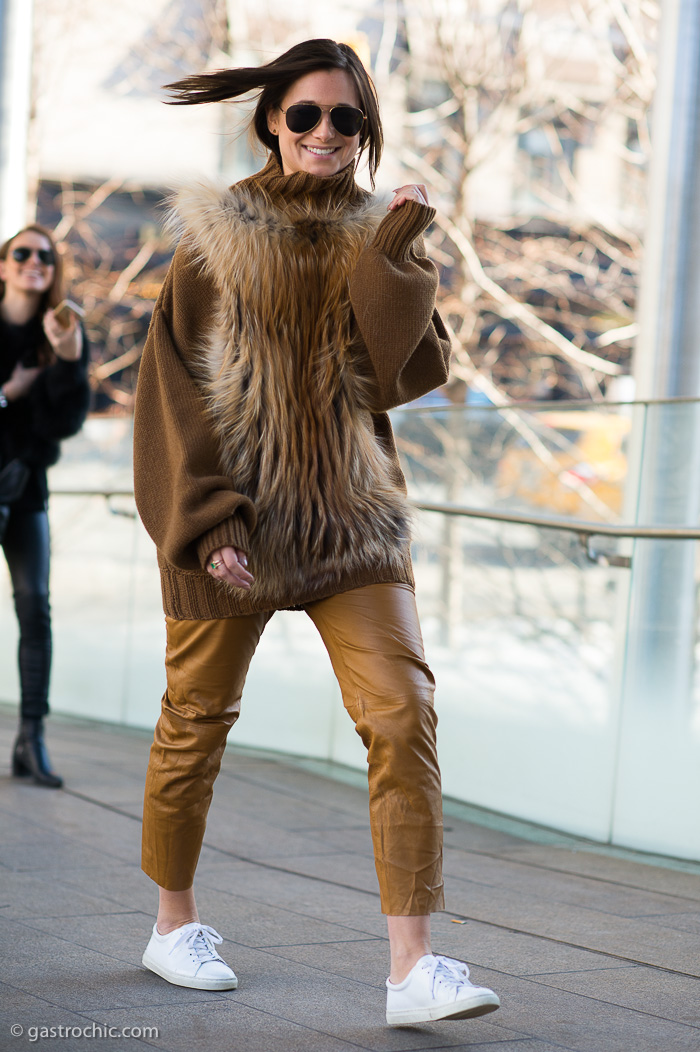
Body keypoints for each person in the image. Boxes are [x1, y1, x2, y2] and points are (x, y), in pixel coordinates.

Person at [134, 38, 500, 1025]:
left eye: (346, 119)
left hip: (349, 521)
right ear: (271, 122)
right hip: (236, 522)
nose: (326, 134)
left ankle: (411, 966)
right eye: (306, 115)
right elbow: (172, 384)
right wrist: (205, 515)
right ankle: (173, 923)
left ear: (363, 131)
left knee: (402, 712)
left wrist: (396, 247)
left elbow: (401, 375)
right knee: (195, 719)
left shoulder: (380, 226)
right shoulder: (216, 234)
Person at [0, 224, 90, 788]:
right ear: (3, 266)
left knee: (35, 605)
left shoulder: (57, 331)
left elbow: (65, 423)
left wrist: (69, 360)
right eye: (23, 253)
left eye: (46, 256)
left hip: (25, 489)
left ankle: (31, 740)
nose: (36, 262)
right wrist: (9, 391)